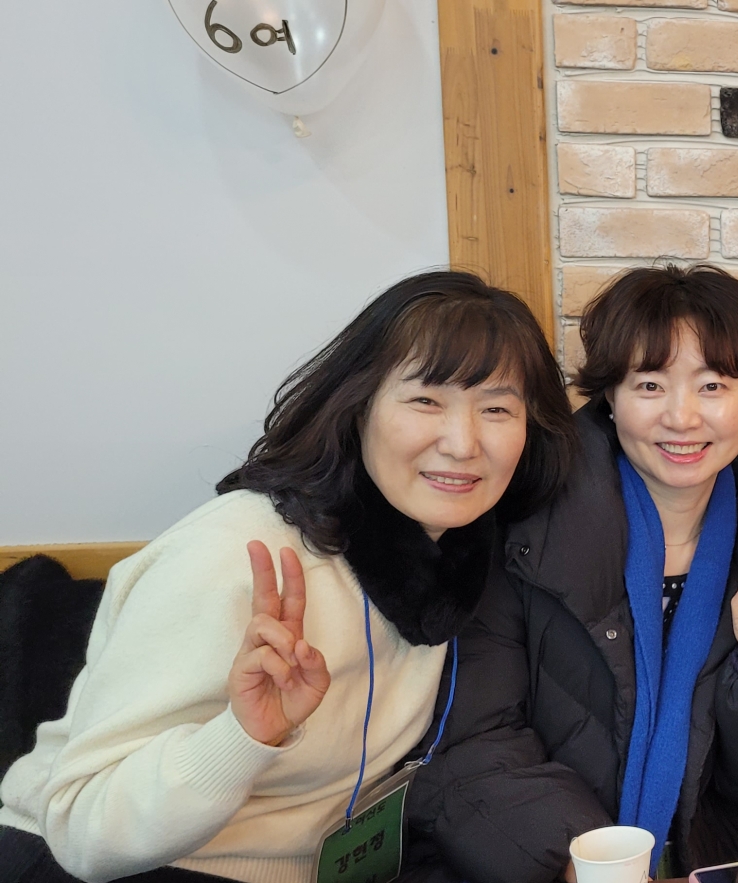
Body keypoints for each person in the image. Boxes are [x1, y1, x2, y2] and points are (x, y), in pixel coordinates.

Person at [0, 271, 576, 883]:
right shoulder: (234, 554)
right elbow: (82, 831)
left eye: (496, 409)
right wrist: (240, 738)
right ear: (358, 407)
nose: (463, 443)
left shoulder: (457, 559)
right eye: (425, 402)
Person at [409, 265, 738, 881]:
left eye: (713, 386)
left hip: (705, 858)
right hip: (540, 862)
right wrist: (585, 862)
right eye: (649, 385)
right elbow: (471, 742)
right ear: (610, 398)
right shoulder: (524, 523)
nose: (681, 418)